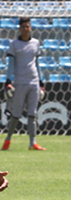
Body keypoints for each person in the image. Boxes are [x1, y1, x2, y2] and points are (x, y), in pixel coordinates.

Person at [3, 17, 46, 151]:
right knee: (16, 114)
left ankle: (32, 143)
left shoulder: (36, 43)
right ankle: (8, 139)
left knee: (32, 114)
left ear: (31, 28)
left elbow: (37, 63)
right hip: (20, 82)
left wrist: (41, 81)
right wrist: (8, 81)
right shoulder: (14, 44)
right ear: (20, 28)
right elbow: (10, 64)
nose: (26, 29)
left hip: (34, 82)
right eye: (24, 27)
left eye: (28, 26)